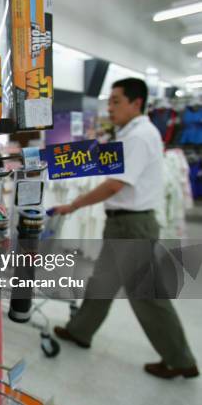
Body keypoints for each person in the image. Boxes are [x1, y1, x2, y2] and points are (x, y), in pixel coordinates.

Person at [51, 78, 199, 379]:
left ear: (136, 103)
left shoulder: (139, 136)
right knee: (102, 282)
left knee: (147, 295)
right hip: (123, 224)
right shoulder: (132, 133)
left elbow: (116, 184)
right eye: (110, 101)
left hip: (132, 226)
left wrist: (74, 204)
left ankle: (181, 360)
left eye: (116, 101)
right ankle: (80, 331)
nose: (110, 106)